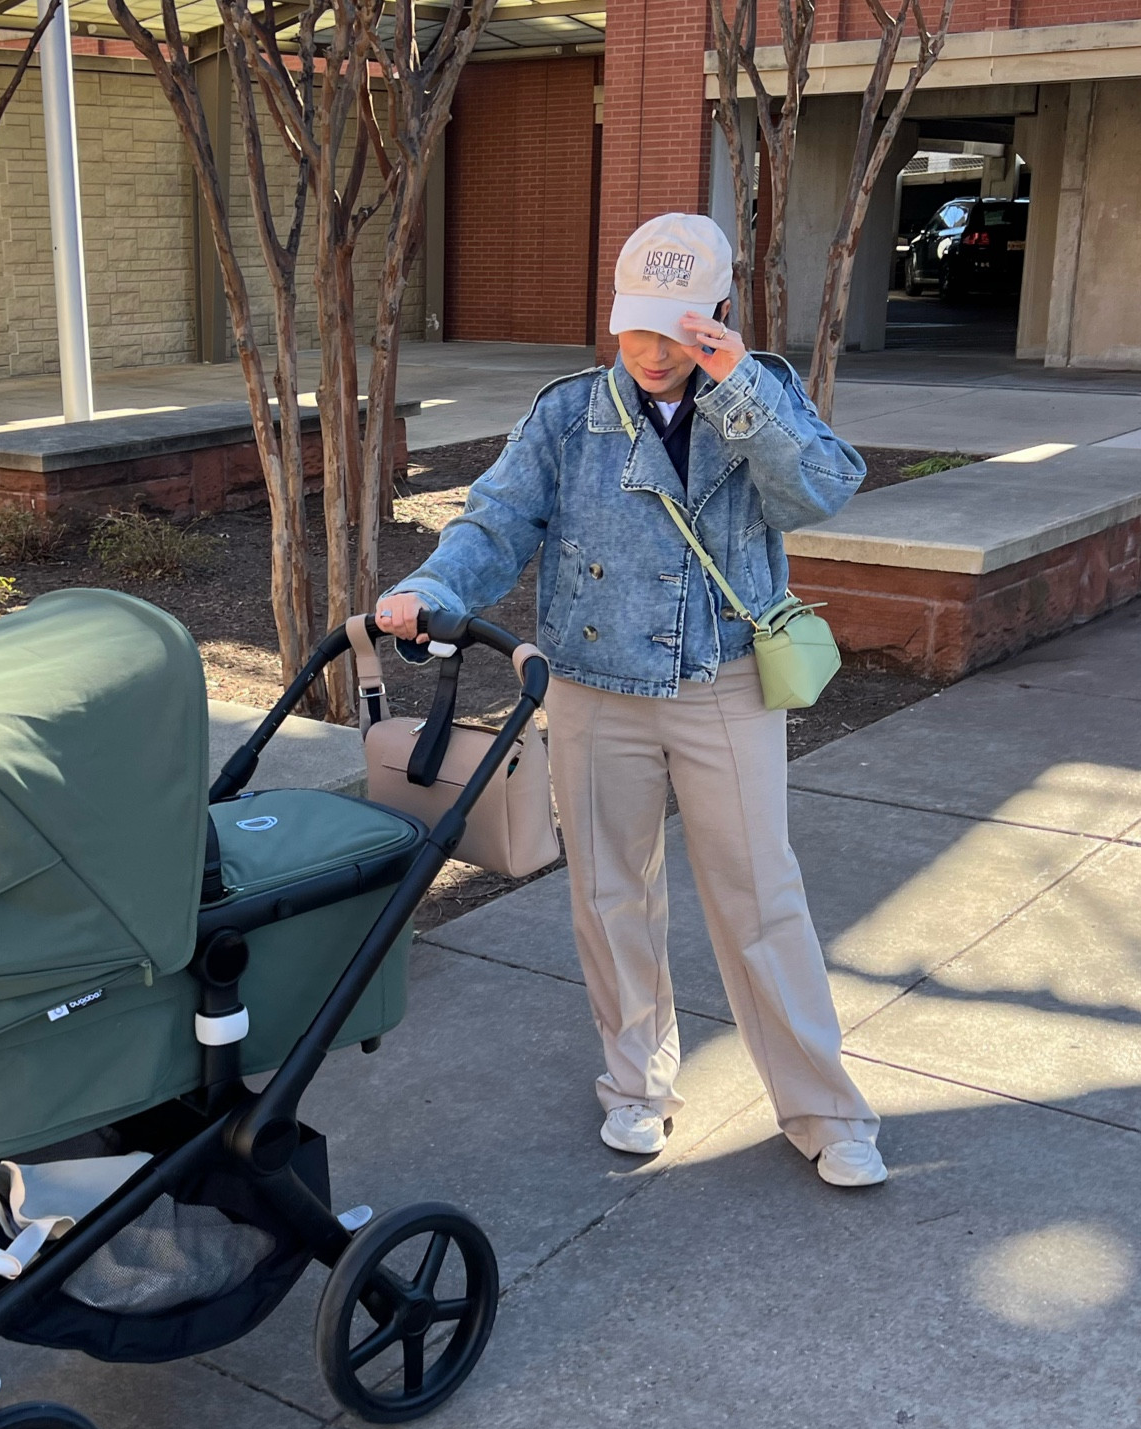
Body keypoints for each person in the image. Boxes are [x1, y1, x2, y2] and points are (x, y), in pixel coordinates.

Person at [376, 213, 885, 1188]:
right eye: (636, 329)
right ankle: (638, 1084)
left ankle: (822, 1106)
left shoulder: (757, 392)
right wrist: (435, 590)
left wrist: (736, 380)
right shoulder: (570, 414)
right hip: (595, 687)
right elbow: (496, 521)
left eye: (678, 329)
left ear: (721, 315)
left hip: (723, 682)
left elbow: (821, 490)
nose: (652, 352)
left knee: (761, 898)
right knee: (611, 895)